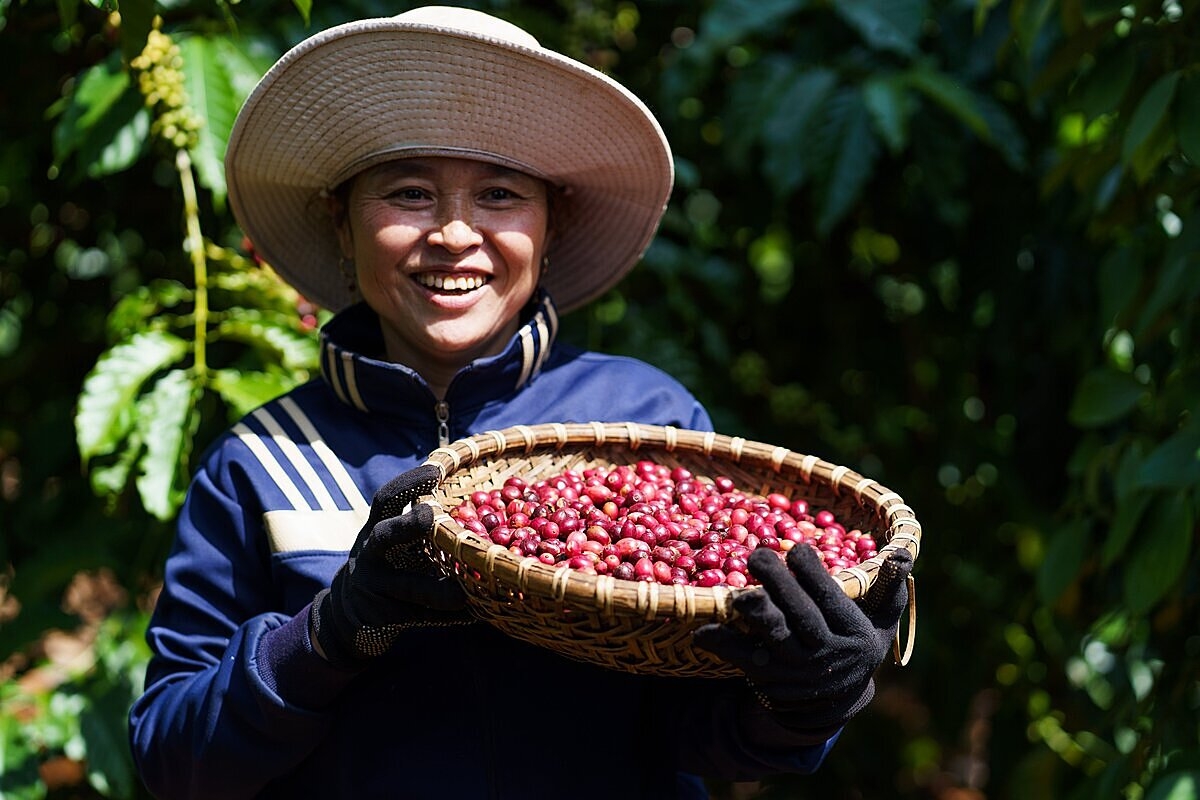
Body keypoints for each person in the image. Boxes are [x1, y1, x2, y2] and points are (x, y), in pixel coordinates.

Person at [127, 6, 914, 799]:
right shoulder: (264, 462)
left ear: (551, 224)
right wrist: (329, 634)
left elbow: (700, 731)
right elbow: (172, 757)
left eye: (500, 195)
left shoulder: (647, 425)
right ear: (342, 219)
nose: (455, 235)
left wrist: (807, 700)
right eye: (409, 193)